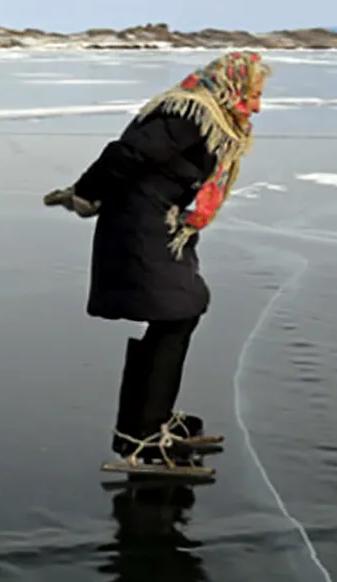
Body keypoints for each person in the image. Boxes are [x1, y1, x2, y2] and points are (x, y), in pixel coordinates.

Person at [44, 51, 271, 469]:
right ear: (232, 86)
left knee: (179, 313)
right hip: (142, 224)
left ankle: (148, 421)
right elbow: (127, 154)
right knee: (176, 313)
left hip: (161, 221)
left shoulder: (207, 116)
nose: (257, 106)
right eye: (254, 94)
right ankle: (143, 432)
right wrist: (86, 193)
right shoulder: (188, 115)